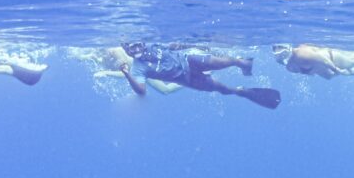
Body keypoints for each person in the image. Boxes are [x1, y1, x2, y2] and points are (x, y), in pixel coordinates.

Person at [118, 42, 281, 109]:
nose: (136, 50)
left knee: (219, 61)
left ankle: (241, 63)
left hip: (189, 61)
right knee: (220, 88)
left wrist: (197, 44)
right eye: (131, 50)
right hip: (187, 79)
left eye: (136, 46)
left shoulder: (153, 44)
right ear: (127, 51)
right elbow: (141, 91)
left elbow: (175, 46)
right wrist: (126, 73)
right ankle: (241, 91)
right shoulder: (138, 68)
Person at [94, 46, 183, 95]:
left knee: (165, 89)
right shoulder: (97, 55)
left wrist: (105, 73)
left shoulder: (116, 52)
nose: (107, 52)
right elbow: (83, 56)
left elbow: (125, 73)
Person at [271, 44, 354, 79]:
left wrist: (338, 69)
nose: (280, 53)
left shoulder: (302, 54)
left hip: (330, 58)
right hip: (317, 66)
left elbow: (324, 60)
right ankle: (353, 72)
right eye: (276, 51)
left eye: (281, 49)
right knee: (329, 77)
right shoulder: (287, 64)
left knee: (351, 61)